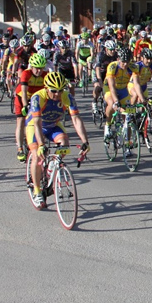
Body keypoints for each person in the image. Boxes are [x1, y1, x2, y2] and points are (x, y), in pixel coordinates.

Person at [25, 72, 90, 208]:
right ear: (46, 88)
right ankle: (37, 191)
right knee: (37, 156)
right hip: (35, 126)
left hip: (53, 125)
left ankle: (51, 169)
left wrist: (85, 141)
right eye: (53, 91)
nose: (57, 94)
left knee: (64, 143)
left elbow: (76, 119)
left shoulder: (67, 97)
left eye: (60, 91)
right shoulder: (38, 97)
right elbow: (37, 123)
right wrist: (41, 144)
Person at [15, 53, 48, 162]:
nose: (39, 71)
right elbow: (24, 92)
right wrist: (25, 106)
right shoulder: (26, 74)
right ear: (32, 67)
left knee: (38, 120)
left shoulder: (45, 75)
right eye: (36, 69)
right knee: (20, 120)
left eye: (41, 69)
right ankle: (20, 148)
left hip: (36, 99)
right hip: (22, 97)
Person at [103, 47, 135, 139]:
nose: (125, 64)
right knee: (112, 104)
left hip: (123, 90)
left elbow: (136, 83)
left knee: (127, 117)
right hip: (109, 88)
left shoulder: (133, 67)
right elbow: (112, 86)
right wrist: (116, 101)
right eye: (123, 61)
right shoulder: (112, 66)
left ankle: (127, 144)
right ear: (118, 59)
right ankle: (108, 125)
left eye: (127, 62)